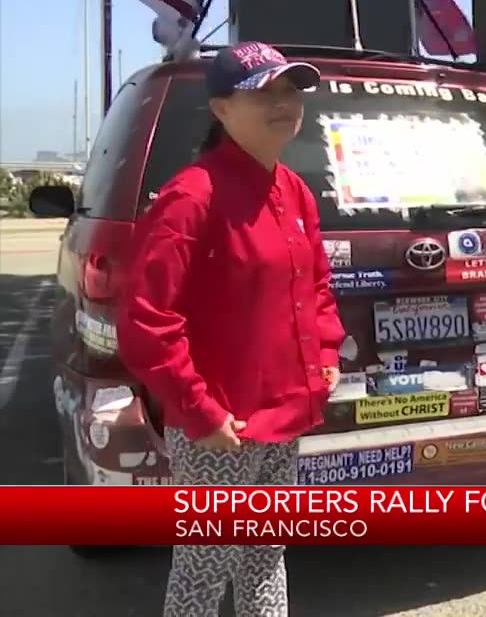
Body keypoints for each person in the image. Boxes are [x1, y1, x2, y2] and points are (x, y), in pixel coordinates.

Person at [116, 41, 346, 617]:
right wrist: (199, 409)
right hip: (221, 424)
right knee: (205, 562)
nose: (283, 103)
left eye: (291, 90)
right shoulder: (191, 196)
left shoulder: (292, 190)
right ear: (220, 108)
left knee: (266, 552)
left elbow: (315, 284)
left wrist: (324, 351)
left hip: (284, 411)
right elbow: (147, 319)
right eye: (263, 91)